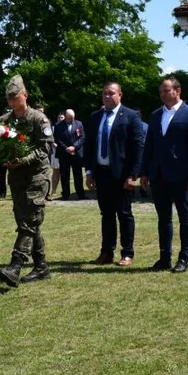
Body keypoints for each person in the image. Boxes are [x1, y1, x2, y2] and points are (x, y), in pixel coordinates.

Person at [140, 76, 188, 273]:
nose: (162, 94)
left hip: (182, 175)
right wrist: (144, 172)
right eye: (160, 91)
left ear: (178, 91)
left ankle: (183, 258)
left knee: (184, 216)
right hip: (159, 174)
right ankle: (164, 257)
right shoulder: (156, 115)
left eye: (166, 90)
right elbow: (149, 146)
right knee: (163, 218)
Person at [0, 75, 55, 286]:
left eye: (15, 97)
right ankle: (41, 268)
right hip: (16, 179)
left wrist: (23, 160)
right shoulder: (4, 121)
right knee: (29, 221)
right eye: (9, 98)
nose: (12, 101)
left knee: (29, 221)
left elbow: (44, 148)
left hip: (37, 177)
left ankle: (15, 265)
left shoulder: (39, 119)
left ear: (25, 95)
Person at [84, 82, 144, 267]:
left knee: (124, 214)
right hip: (101, 173)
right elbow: (89, 146)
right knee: (106, 214)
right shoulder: (96, 117)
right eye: (104, 93)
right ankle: (106, 252)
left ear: (120, 95)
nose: (107, 96)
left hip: (121, 175)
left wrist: (132, 175)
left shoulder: (131, 116)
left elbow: (138, 146)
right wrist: (89, 171)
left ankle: (127, 253)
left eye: (111, 93)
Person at [53, 109, 85, 200]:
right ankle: (66, 194)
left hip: (76, 152)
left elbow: (82, 137)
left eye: (73, 118)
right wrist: (66, 148)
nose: (71, 120)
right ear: (65, 117)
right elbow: (57, 139)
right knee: (64, 175)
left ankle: (80, 194)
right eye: (69, 118)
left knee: (78, 174)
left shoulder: (79, 124)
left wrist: (74, 147)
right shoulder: (58, 125)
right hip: (64, 153)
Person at [47, 112, 63, 201]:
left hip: (65, 152)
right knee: (56, 171)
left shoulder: (66, 128)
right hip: (55, 152)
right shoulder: (53, 128)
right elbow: (50, 140)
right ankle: (53, 191)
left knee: (64, 172)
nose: (61, 119)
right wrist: (56, 145)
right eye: (59, 117)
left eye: (62, 117)